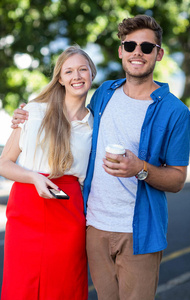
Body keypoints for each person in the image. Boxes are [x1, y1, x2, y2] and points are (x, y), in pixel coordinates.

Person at [11, 15, 190, 300]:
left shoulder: (176, 112)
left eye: (147, 47)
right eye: (130, 45)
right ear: (121, 50)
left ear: (159, 54)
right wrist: (25, 114)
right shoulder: (105, 95)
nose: (137, 52)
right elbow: (66, 118)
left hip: (138, 233)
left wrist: (140, 168)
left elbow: (178, 179)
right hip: (93, 228)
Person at [0, 45, 96, 300]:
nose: (76, 76)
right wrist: (34, 177)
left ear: (92, 74)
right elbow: (4, 163)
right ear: (61, 79)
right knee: (22, 286)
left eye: (82, 69)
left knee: (64, 286)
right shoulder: (33, 112)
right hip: (27, 208)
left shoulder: (95, 124)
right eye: (69, 71)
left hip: (68, 210)